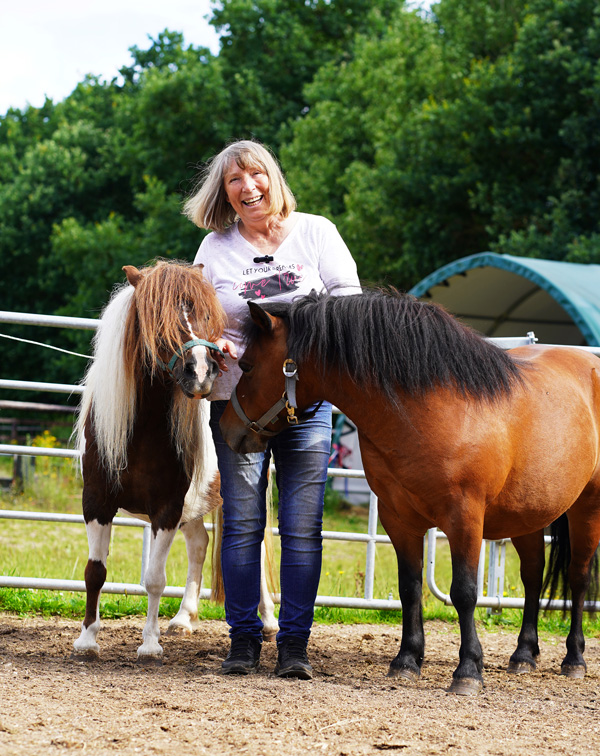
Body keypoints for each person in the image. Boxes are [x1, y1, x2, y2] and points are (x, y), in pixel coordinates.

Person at [184, 140, 360, 679]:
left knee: (302, 527)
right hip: (239, 405)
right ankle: (241, 644)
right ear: (224, 192)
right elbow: (196, 318)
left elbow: (349, 303)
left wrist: (301, 339)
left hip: (306, 405)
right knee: (241, 523)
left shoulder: (316, 232)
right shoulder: (215, 249)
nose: (248, 187)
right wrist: (220, 343)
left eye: (255, 174)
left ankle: (295, 648)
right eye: (235, 180)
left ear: (272, 178)